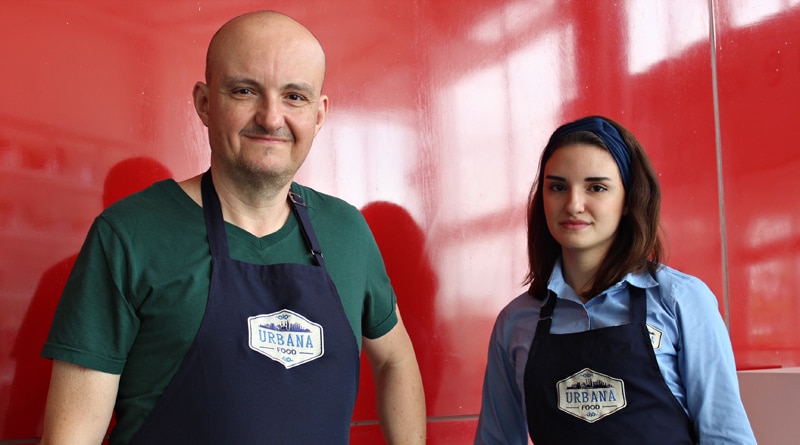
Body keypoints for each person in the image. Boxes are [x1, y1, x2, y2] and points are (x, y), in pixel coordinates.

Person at [40, 10, 425, 445]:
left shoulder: (347, 231)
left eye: (294, 97)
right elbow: (71, 437)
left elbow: (395, 360)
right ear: (205, 104)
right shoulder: (129, 235)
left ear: (319, 115)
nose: (271, 117)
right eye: (245, 90)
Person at [474, 116, 756, 444]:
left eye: (596, 187)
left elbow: (726, 436)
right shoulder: (515, 322)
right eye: (558, 187)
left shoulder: (681, 300)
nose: (573, 204)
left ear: (628, 201)